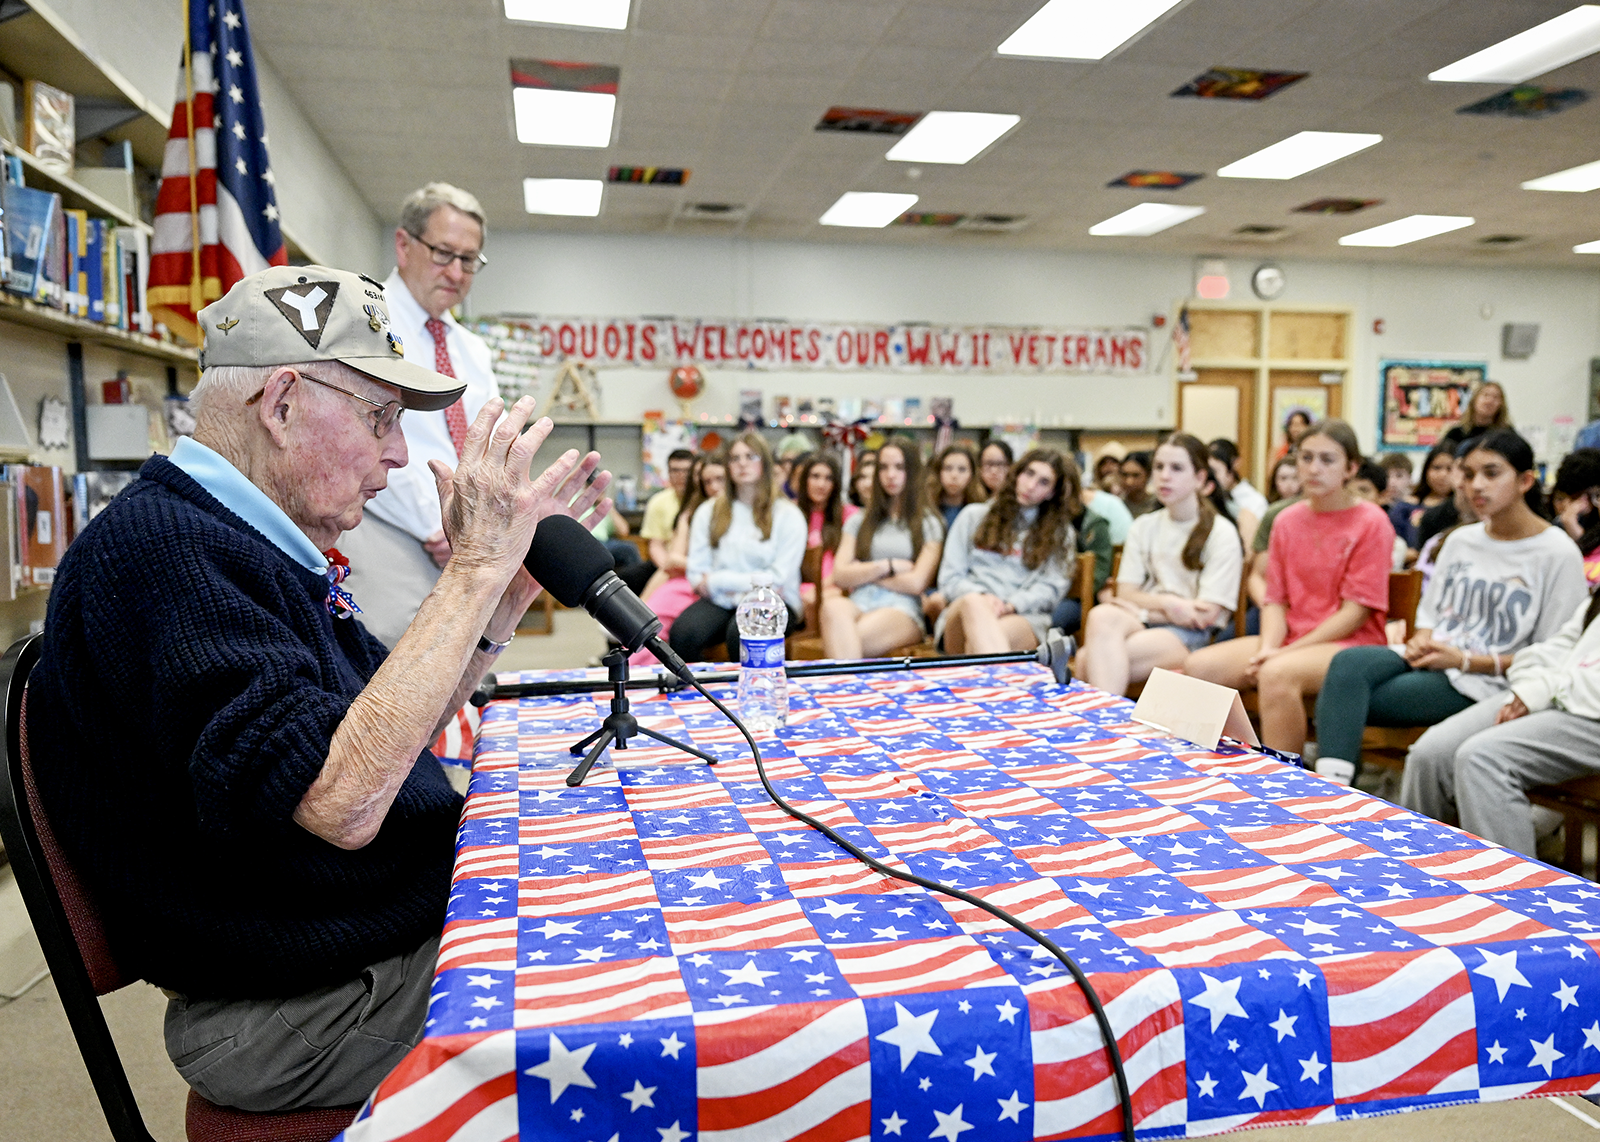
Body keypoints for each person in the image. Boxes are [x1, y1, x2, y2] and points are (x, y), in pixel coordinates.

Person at [28, 265, 611, 1113]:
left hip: (348, 945)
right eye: (381, 417)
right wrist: (474, 565)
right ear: (284, 402)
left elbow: (380, 725)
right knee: (619, 984)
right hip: (293, 1004)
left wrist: (490, 604)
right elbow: (341, 799)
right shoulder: (165, 551)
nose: (400, 454)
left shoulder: (246, 539)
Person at [1315, 430, 1587, 783]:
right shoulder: (1460, 540)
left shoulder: (1557, 552)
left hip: (1486, 679)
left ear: (1525, 481)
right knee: (1347, 664)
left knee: (1345, 698)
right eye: (1469, 474)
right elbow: (1432, 611)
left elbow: (1554, 654)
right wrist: (1423, 638)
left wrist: (1462, 660)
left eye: (1491, 474)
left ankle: (1335, 793)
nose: (1476, 486)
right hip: (1436, 658)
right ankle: (1333, 793)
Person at [337, 183, 499, 648]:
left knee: (453, 668)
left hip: (459, 545)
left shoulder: (472, 351)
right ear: (404, 245)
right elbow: (360, 440)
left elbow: (482, 451)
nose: (456, 271)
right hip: (387, 531)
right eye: (444, 253)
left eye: (469, 260)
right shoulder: (362, 325)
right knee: (386, 676)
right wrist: (438, 524)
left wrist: (468, 530)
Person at [1185, 419, 1393, 755]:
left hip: (1350, 646)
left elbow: (1355, 613)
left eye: (1327, 460)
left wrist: (1281, 654)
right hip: (1290, 639)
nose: (1314, 468)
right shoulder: (1286, 519)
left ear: (1351, 468)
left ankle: (1285, 787)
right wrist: (1268, 646)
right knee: (1198, 668)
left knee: (1276, 673)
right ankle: (1221, 769)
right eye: (1306, 458)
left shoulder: (1371, 521)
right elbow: (1275, 601)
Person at [1400, 590, 1600, 856]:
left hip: (1588, 709)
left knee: (1481, 760)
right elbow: (1562, 646)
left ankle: (1510, 891)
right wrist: (1532, 682)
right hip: (1558, 690)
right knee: (1430, 756)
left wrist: (1543, 688)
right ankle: (1418, 870)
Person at [1082, 435, 1242, 695]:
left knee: (1089, 660)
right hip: (1146, 621)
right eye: (1159, 467)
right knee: (1101, 615)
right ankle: (1108, 726)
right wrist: (1171, 605)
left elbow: (1205, 614)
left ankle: (1105, 727)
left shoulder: (1221, 532)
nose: (1164, 476)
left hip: (1192, 636)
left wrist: (1142, 608)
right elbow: (1125, 593)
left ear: (1200, 479)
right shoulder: (1144, 525)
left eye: (1176, 468)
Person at [672, 433, 806, 661]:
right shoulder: (709, 511)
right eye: (735, 458)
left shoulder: (787, 514)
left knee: (742, 633)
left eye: (750, 456)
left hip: (773, 602)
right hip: (720, 600)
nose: (742, 463)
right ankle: (702, 694)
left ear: (764, 462)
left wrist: (717, 580)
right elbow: (696, 572)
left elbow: (778, 579)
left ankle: (749, 694)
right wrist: (735, 586)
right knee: (683, 633)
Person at [932, 449, 1074, 654]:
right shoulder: (973, 516)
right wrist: (984, 598)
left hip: (1022, 615)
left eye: (1044, 482)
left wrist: (1011, 605)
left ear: (1052, 492)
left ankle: (983, 682)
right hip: (963, 608)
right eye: (1029, 473)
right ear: (1016, 474)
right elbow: (950, 578)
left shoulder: (1061, 534)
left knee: (984, 639)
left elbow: (1051, 588)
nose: (1031, 485)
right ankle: (998, 682)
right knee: (974, 603)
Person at [823, 437, 944, 658]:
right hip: (860, 600)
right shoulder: (859, 520)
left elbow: (916, 582)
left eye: (899, 467)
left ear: (913, 472)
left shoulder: (929, 523)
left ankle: (847, 690)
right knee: (832, 608)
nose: (890, 475)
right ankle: (851, 687)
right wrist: (888, 566)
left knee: (848, 639)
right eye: (884, 467)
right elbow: (839, 575)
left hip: (903, 608)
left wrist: (861, 573)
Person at [634, 452, 726, 663]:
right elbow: (663, 552)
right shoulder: (691, 510)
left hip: (700, 578)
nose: (712, 486)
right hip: (680, 573)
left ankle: (638, 662)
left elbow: (677, 559)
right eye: (706, 480)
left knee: (656, 612)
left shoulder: (731, 512)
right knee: (640, 588)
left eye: (719, 479)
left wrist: (678, 564)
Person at [1048, 456, 1115, 636]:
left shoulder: (1094, 524)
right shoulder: (1041, 519)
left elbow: (1098, 574)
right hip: (1042, 593)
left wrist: (1062, 588)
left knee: (1049, 620)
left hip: (1077, 599)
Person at [791, 451, 856, 605]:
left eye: (828, 478)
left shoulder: (850, 516)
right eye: (815, 476)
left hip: (837, 588)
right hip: (795, 590)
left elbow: (851, 562)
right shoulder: (790, 513)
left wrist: (819, 590)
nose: (821, 485)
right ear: (804, 480)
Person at [632, 448, 694, 593]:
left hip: (693, 562)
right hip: (666, 561)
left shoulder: (702, 500)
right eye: (675, 470)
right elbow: (655, 545)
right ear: (668, 473)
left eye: (686, 471)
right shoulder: (658, 502)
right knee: (627, 579)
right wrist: (668, 567)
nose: (681, 475)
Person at [1347, 458, 1410, 570]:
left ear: (1382, 496)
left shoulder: (1396, 546)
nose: (1355, 497)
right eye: (1348, 491)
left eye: (1364, 490)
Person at [1553, 448, 1600, 590]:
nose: (1580, 505)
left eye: (1595, 496)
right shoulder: (1559, 525)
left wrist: (1577, 535)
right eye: (1561, 498)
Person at [1206, 437, 1269, 543]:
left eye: (1215, 471)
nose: (1211, 478)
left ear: (1235, 464)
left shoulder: (1255, 501)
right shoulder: (1206, 496)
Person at [1438, 380, 1511, 453]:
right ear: (1474, 399)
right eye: (1486, 395)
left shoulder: (1508, 435)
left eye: (1496, 397)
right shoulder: (1455, 434)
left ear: (1501, 404)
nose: (1490, 401)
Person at [929, 443, 985, 531]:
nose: (954, 475)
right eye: (948, 468)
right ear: (939, 472)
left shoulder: (980, 509)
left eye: (962, 469)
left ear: (972, 474)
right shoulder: (927, 507)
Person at [1377, 452, 1418, 549]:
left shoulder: (1416, 507)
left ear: (1410, 478)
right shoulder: (1376, 507)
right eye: (1387, 476)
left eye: (1399, 476)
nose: (1392, 482)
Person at [1119, 450, 1158, 518]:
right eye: (1125, 475)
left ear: (1148, 475)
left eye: (1136, 475)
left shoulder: (1157, 505)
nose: (1129, 481)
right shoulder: (1118, 505)